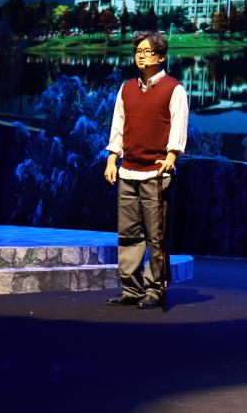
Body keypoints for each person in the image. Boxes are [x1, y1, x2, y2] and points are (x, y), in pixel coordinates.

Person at [104, 30, 189, 310]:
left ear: (161, 57)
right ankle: (131, 288)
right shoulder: (127, 88)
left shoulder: (174, 89)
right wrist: (112, 159)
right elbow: (118, 125)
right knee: (128, 233)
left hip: (156, 172)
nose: (141, 56)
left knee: (156, 235)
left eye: (147, 51)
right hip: (128, 171)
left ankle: (155, 289)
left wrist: (172, 155)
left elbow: (178, 126)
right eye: (138, 51)